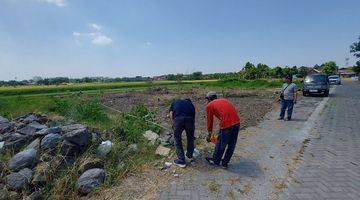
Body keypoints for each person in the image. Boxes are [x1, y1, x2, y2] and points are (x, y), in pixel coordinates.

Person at [204, 91, 240, 169]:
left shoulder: (209, 105)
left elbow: (210, 121)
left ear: (209, 99)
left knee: (220, 144)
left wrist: (209, 133)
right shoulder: (224, 100)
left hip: (227, 125)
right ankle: (225, 163)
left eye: (207, 100)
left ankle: (215, 161)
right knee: (231, 145)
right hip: (237, 123)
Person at [169, 98, 196, 168]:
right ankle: (189, 155)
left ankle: (181, 160)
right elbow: (193, 118)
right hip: (190, 120)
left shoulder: (175, 102)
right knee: (190, 138)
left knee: (177, 139)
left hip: (178, 120)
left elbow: (171, 113)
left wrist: (173, 124)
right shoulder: (191, 105)